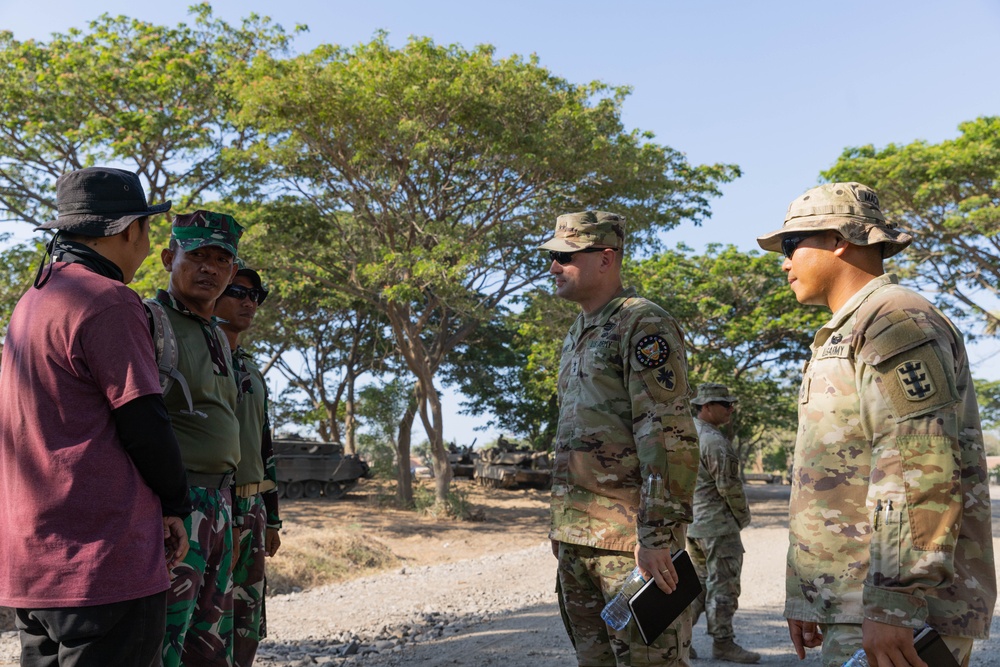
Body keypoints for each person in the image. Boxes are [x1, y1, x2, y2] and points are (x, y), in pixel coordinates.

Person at [756, 182, 996, 667]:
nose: (783, 262)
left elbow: (919, 470)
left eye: (790, 245)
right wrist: (807, 595)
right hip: (853, 603)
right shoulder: (849, 329)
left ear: (841, 239)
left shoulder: (894, 322)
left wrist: (895, 603)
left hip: (895, 613)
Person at [0, 167, 191, 666]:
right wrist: (176, 503)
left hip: (35, 566)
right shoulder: (107, 301)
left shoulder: (33, 303)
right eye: (146, 232)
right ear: (130, 230)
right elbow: (144, 420)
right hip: (102, 565)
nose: (147, 245)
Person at [542, 211, 700, 666]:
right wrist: (561, 523)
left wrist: (658, 535)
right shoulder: (577, 332)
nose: (554, 266)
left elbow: (668, 436)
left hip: (630, 545)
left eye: (565, 256)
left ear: (606, 258)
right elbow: (573, 436)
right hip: (578, 540)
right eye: (553, 257)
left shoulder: (642, 324)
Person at [156, 210, 244, 667]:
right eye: (197, 256)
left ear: (232, 271)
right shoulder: (151, 322)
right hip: (176, 508)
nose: (208, 268)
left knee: (210, 644)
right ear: (170, 257)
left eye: (220, 259)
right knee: (164, 639)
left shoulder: (217, 333)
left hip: (221, 505)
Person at [214, 261, 282, 666]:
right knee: (207, 624)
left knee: (247, 623)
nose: (249, 302)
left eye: (254, 296)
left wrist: (271, 519)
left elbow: (264, 446)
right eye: (238, 292)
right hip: (213, 505)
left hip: (253, 510)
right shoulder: (198, 357)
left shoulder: (251, 367)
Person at [686, 383, 758, 664]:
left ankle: (681, 640)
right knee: (723, 586)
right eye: (724, 404)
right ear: (706, 406)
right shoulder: (714, 442)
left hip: (693, 526)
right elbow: (729, 487)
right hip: (717, 527)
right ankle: (723, 644)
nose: (731, 409)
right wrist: (742, 518)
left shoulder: (684, 434)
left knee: (699, 585)